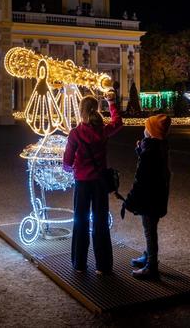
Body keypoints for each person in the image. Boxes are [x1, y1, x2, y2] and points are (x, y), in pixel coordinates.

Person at [63, 91, 123, 275]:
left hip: (82, 182)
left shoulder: (75, 134)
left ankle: (79, 264)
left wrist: (71, 167)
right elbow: (118, 122)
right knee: (100, 222)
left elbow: (66, 162)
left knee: (80, 221)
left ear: (81, 111)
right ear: (96, 110)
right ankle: (103, 265)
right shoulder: (102, 130)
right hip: (99, 182)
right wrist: (111, 102)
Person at [122, 114, 171, 279]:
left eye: (146, 127)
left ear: (150, 131)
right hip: (157, 196)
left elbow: (141, 178)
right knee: (150, 229)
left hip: (150, 198)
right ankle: (149, 257)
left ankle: (151, 266)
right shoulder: (158, 147)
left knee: (150, 231)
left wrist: (129, 200)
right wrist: (140, 151)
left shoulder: (150, 149)